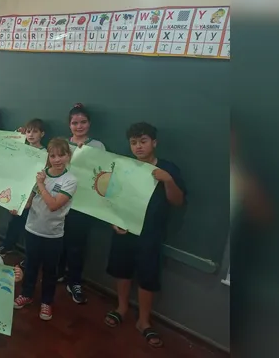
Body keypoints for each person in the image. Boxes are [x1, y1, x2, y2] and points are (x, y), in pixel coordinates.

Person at [104, 122, 186, 348]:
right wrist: (114, 222)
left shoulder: (168, 168)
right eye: (133, 143)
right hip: (125, 229)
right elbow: (112, 198)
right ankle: (121, 307)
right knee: (122, 270)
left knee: (147, 275)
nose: (138, 147)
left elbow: (178, 202)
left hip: (151, 233)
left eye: (143, 141)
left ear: (154, 143)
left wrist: (168, 180)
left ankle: (143, 320)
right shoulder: (124, 166)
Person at [14, 138, 78, 321]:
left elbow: (53, 205)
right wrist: (16, 206)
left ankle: (46, 302)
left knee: (50, 270)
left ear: (68, 155)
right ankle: (27, 294)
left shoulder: (70, 180)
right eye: (52, 156)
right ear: (48, 156)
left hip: (53, 234)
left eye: (61, 155)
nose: (57, 159)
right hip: (32, 229)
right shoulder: (40, 174)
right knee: (31, 265)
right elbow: (28, 202)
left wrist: (41, 183)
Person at [59, 103, 106, 305]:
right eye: (75, 123)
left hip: (83, 205)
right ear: (69, 125)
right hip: (59, 202)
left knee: (77, 245)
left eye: (83, 122)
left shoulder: (97, 146)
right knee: (58, 240)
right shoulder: (61, 144)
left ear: (89, 123)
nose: (79, 126)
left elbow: (102, 174)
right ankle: (58, 272)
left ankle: (75, 280)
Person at [0, 119, 47, 264]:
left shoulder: (44, 153)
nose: (31, 135)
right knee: (14, 222)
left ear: (42, 134)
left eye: (35, 131)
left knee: (30, 227)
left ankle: (29, 257)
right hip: (18, 192)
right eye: (28, 131)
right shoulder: (23, 148)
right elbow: (7, 145)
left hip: (34, 196)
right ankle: (7, 246)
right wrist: (17, 134)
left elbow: (40, 178)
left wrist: (31, 198)